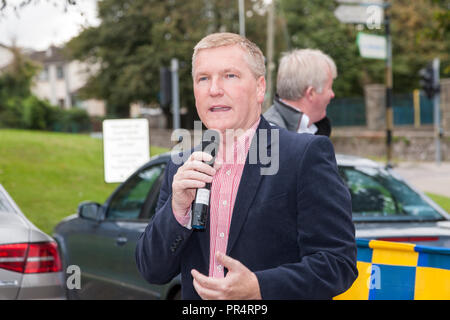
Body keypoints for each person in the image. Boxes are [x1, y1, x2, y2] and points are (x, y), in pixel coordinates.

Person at [135, 33, 357, 299]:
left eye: (230, 76)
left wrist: (259, 287)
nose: (214, 89)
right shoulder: (181, 166)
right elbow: (151, 270)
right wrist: (177, 210)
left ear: (260, 88)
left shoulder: (303, 155)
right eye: (203, 78)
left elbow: (338, 263)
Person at [264, 49, 337, 137]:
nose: (332, 94)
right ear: (311, 93)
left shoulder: (316, 128)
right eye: (329, 87)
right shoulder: (266, 135)